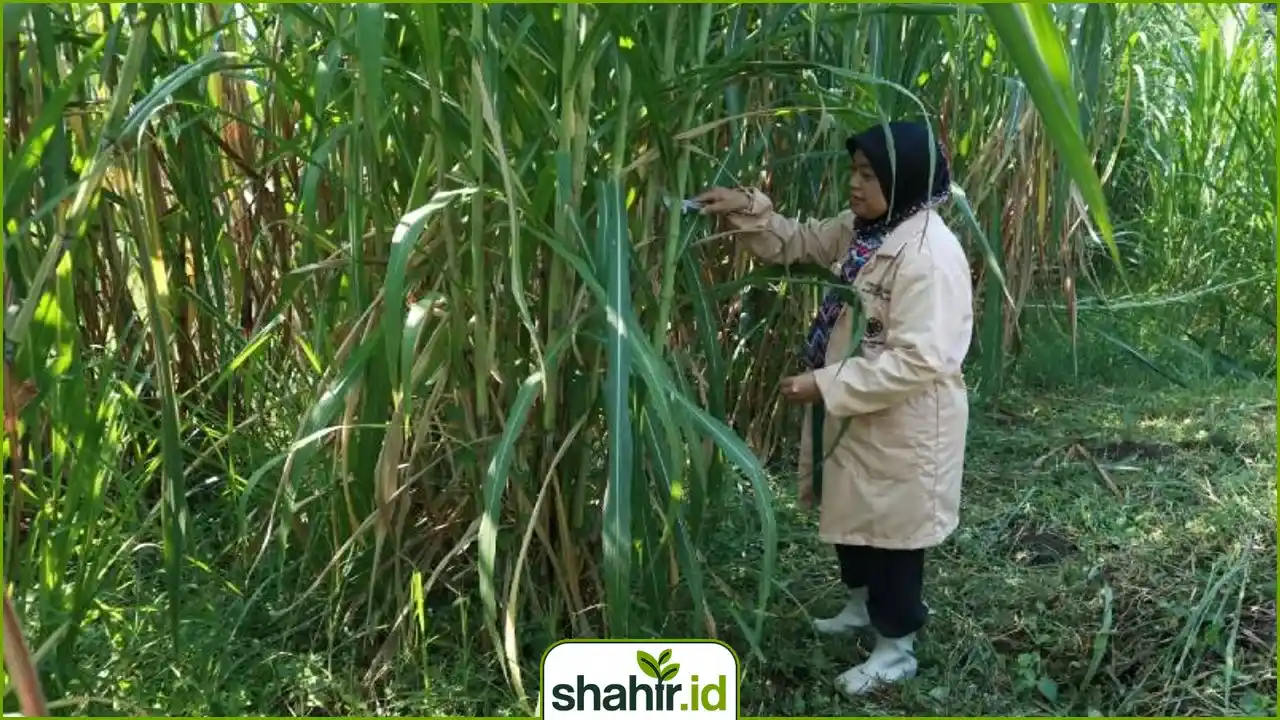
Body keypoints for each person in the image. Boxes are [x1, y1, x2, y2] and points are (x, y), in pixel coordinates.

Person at [692, 119, 973, 697]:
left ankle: (896, 649)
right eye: (854, 171)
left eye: (869, 175)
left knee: (895, 535)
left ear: (905, 177)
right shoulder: (868, 229)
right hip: (860, 409)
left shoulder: (928, 256)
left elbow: (922, 360)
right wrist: (745, 207)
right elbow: (798, 242)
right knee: (854, 515)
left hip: (905, 421)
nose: (854, 185)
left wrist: (826, 384)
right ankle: (859, 608)